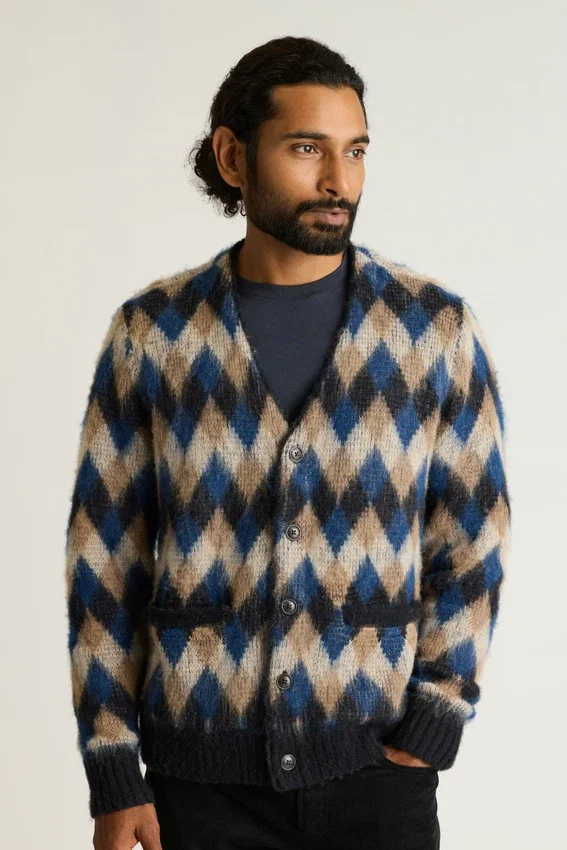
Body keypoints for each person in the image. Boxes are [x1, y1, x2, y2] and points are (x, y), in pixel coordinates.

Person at [64, 35, 511, 850]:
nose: (338, 180)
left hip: (376, 773)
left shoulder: (430, 331)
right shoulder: (155, 334)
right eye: (307, 149)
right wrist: (114, 766)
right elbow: (105, 557)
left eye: (355, 151)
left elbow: (472, 537)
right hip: (198, 783)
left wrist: (437, 715)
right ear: (233, 158)